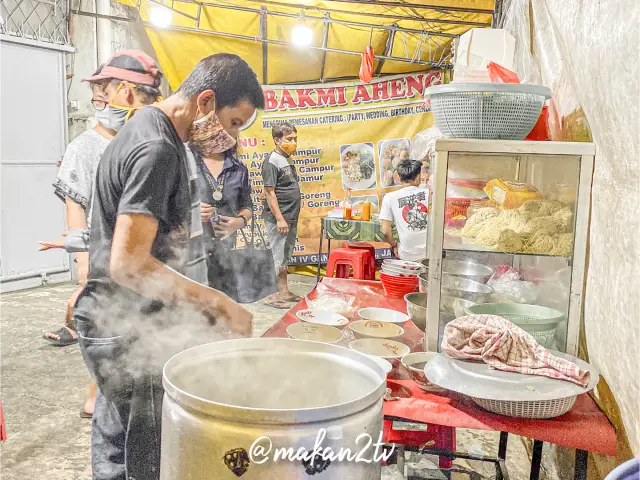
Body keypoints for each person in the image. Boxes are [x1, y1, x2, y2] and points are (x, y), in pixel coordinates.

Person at [74, 53, 263, 480]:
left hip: (114, 315)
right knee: (142, 451)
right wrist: (220, 304)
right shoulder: (156, 146)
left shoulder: (153, 131)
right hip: (123, 324)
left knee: (116, 435)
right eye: (234, 123)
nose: (231, 138)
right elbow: (128, 265)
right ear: (207, 101)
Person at [41, 52, 163, 422]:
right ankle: (98, 396)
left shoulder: (141, 141)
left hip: (141, 256)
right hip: (103, 256)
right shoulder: (84, 147)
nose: (104, 105)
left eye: (105, 97)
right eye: (97, 100)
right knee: (106, 328)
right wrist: (82, 269)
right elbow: (75, 204)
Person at [193, 141, 253, 301]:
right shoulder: (187, 164)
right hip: (192, 252)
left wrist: (238, 222)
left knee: (226, 304)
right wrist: (191, 210)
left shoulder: (238, 168)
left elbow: (247, 206)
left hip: (226, 252)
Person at [261, 122, 302, 309]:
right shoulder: (272, 161)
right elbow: (269, 192)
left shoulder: (287, 158)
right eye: (289, 139)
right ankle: (273, 296)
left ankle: (284, 291)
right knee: (276, 258)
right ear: (277, 140)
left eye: (295, 139)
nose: (293, 142)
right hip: (280, 218)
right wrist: (279, 218)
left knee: (285, 257)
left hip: (290, 216)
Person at [380, 159, 429, 262]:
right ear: (418, 176)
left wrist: (394, 245)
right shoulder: (430, 194)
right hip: (430, 254)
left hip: (407, 255)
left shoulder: (389, 197)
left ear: (399, 177)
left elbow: (385, 231)